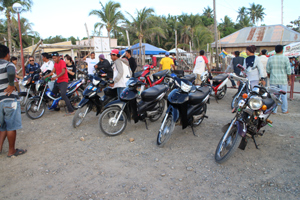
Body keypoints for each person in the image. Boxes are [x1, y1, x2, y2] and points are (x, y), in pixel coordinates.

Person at [0, 44, 26, 157]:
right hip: (9, 100)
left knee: (2, 127)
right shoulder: (8, 63)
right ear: (7, 54)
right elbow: (11, 72)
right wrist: (11, 85)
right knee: (11, 126)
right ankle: (11, 151)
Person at [266, 45, 291, 114]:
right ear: (282, 50)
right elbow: (288, 71)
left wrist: (269, 76)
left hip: (273, 80)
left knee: (274, 96)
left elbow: (268, 70)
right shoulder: (285, 58)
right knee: (284, 96)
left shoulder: (270, 58)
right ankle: (284, 110)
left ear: (275, 50)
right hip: (282, 80)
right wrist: (290, 80)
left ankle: (274, 110)